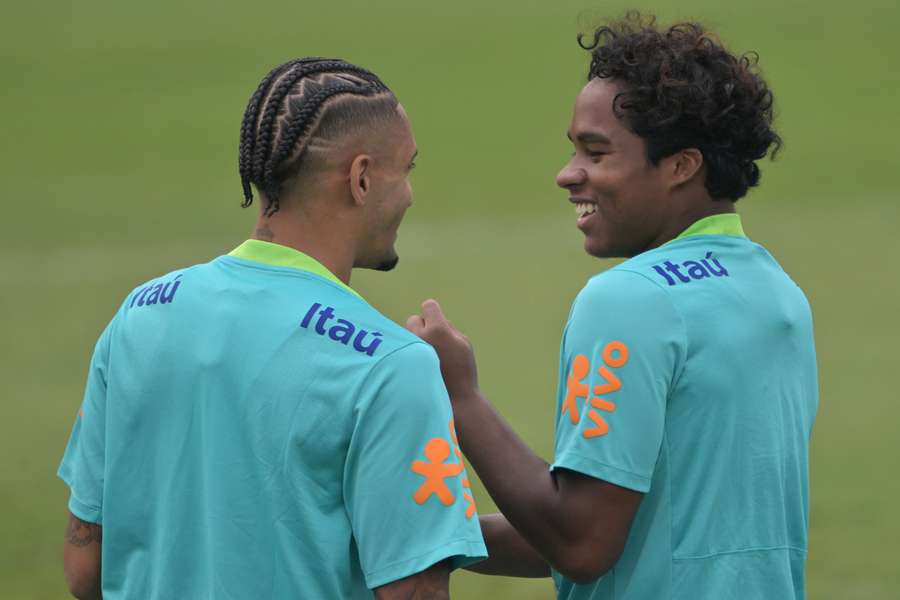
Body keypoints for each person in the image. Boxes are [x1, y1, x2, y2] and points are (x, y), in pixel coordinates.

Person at [407, 13, 818, 599]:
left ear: (681, 166)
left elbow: (582, 543)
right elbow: (623, 524)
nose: (567, 174)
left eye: (595, 154)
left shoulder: (631, 299)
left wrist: (458, 396)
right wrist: (437, 535)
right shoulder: (777, 293)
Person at [58, 57, 486, 600]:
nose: (408, 195)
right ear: (361, 179)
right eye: (408, 170)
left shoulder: (138, 316)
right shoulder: (390, 365)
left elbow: (85, 569)